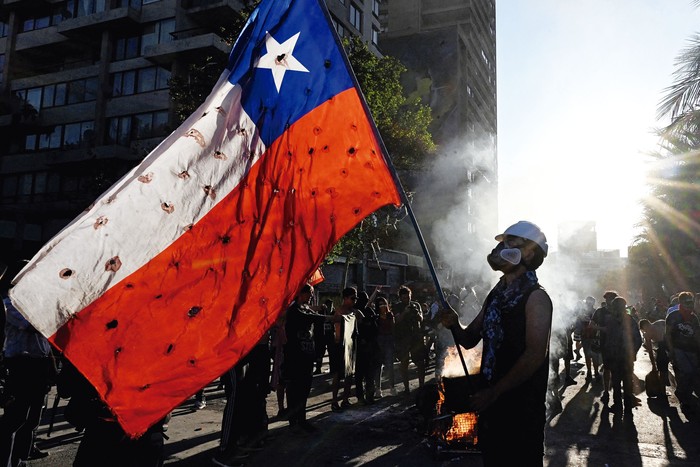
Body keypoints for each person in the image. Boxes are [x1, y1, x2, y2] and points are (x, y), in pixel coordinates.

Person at [441, 220, 552, 467]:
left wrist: (495, 392)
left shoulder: (537, 298)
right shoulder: (496, 295)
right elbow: (469, 339)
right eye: (502, 242)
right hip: (492, 408)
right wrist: (454, 324)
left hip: (521, 410)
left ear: (530, 252)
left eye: (511, 242)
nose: (502, 247)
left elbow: (535, 355)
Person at [0, 261, 57, 467]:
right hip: (21, 365)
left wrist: (52, 367)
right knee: (15, 419)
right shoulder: (9, 303)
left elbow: (45, 342)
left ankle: (20, 458)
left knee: (32, 418)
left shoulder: (35, 304)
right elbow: (34, 326)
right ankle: (7, 460)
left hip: (38, 365)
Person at [283, 284, 337, 431]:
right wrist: (329, 317)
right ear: (301, 293)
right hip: (295, 357)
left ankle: (302, 420)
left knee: (304, 390)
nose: (312, 296)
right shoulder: (294, 310)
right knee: (295, 390)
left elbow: (313, 313)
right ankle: (294, 422)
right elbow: (310, 317)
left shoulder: (305, 307)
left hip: (306, 356)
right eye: (310, 293)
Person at [602, 296, 642, 414]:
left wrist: (631, 353)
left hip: (619, 357)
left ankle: (620, 405)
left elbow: (637, 340)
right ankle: (624, 404)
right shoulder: (626, 320)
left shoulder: (614, 320)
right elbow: (638, 340)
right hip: (619, 357)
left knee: (619, 382)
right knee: (624, 381)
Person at [665, 291, 700, 413]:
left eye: (691, 302)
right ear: (680, 302)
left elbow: (696, 334)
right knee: (686, 372)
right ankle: (683, 397)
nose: (690, 305)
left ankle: (685, 393)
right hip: (678, 348)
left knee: (694, 373)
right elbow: (668, 333)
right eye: (687, 302)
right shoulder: (673, 316)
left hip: (691, 349)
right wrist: (670, 350)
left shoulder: (693, 317)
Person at [329, 287, 361, 412]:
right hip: (339, 347)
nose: (354, 301)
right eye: (352, 298)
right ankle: (334, 400)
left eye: (355, 299)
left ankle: (345, 399)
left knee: (349, 374)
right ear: (346, 298)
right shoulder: (339, 312)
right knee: (338, 375)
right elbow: (337, 334)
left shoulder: (353, 312)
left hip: (351, 346)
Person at [393, 285, 426, 394]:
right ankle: (406, 388)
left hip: (416, 337)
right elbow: (397, 320)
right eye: (405, 298)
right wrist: (405, 312)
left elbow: (421, 318)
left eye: (409, 297)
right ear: (400, 297)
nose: (407, 299)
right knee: (404, 363)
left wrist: (416, 312)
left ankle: (422, 386)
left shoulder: (415, 305)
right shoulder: (397, 306)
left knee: (421, 362)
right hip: (403, 338)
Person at [592, 291, 618, 405]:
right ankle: (606, 391)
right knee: (607, 368)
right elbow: (591, 324)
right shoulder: (600, 311)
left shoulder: (620, 311)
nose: (609, 301)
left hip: (619, 344)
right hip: (605, 344)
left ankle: (617, 391)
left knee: (617, 369)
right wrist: (602, 330)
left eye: (612, 299)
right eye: (607, 298)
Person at [353, 291, 378, 405]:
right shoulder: (355, 312)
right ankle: (361, 397)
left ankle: (368, 396)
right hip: (359, 347)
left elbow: (375, 328)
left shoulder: (369, 311)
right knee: (360, 375)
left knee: (369, 375)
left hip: (369, 347)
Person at [374, 296, 396, 398]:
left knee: (389, 365)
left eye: (384, 304)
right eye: (380, 305)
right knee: (378, 366)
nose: (382, 306)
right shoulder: (376, 316)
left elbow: (392, 327)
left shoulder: (390, 315)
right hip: (379, 340)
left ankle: (392, 387)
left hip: (389, 339)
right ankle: (378, 389)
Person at [638, 318, 670, 386]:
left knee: (662, 368)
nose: (645, 331)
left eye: (644, 330)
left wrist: (653, 365)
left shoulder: (660, 324)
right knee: (663, 369)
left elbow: (650, 351)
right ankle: (663, 385)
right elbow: (650, 351)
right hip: (667, 346)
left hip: (666, 345)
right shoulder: (660, 323)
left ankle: (663, 388)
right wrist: (653, 365)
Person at [578, 296, 602, 382]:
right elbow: (579, 323)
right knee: (588, 355)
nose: (588, 304)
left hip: (593, 336)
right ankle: (590, 372)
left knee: (593, 355)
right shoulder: (583, 312)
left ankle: (595, 372)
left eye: (590, 302)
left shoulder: (596, 312)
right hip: (586, 336)